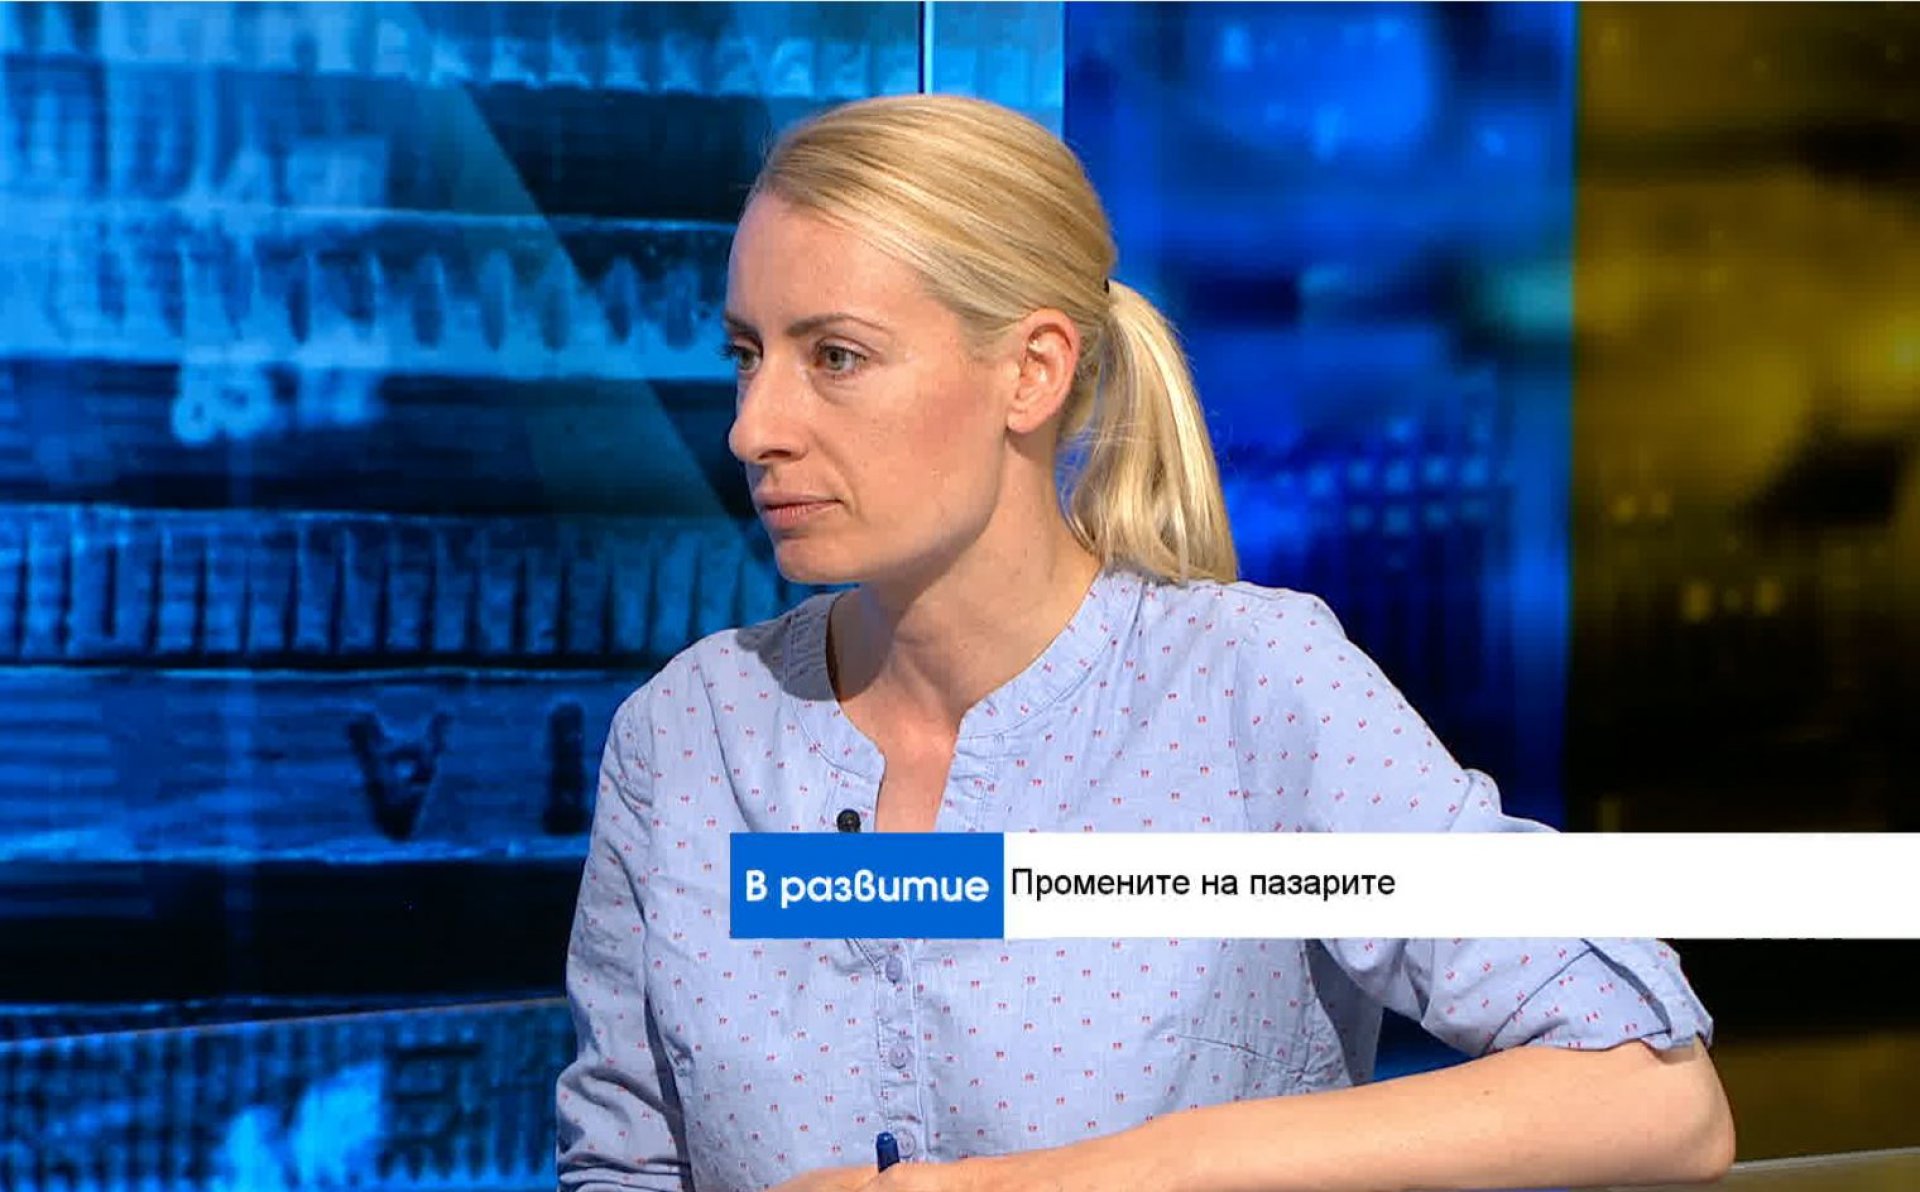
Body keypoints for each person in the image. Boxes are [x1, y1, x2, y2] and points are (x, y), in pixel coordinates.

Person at [556, 92, 1736, 1192]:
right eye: (748, 355)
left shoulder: (1252, 689)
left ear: (1033, 371)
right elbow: (622, 1165)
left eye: (837, 357)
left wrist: (1103, 1174)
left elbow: (1657, 1096)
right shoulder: (685, 736)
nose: (755, 427)